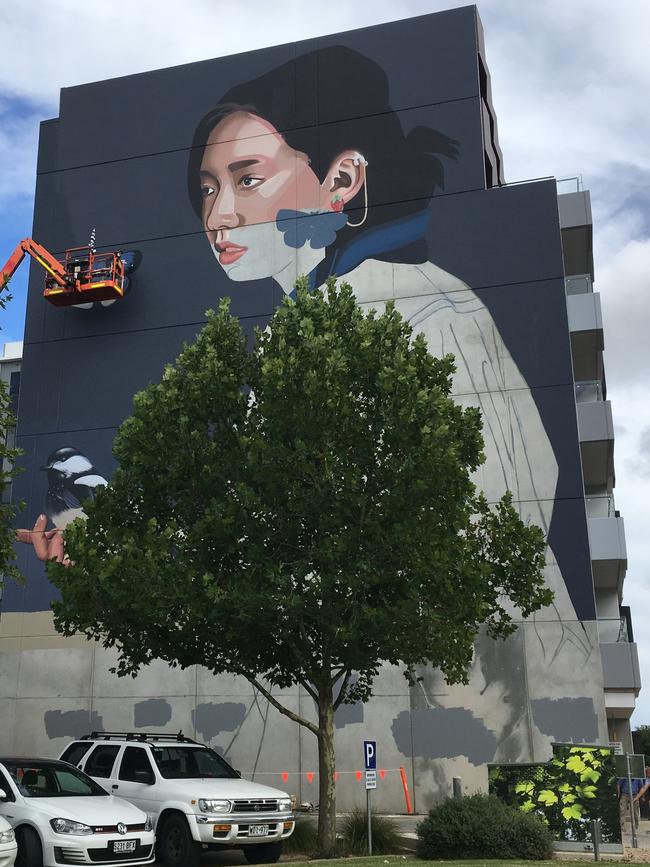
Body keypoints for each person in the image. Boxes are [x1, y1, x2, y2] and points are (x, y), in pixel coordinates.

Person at [186, 45, 580, 634]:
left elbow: (505, 517)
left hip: (467, 674)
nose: (218, 215)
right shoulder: (293, 336)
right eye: (210, 188)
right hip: (324, 669)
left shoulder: (429, 313)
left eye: (248, 180)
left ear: (341, 179)